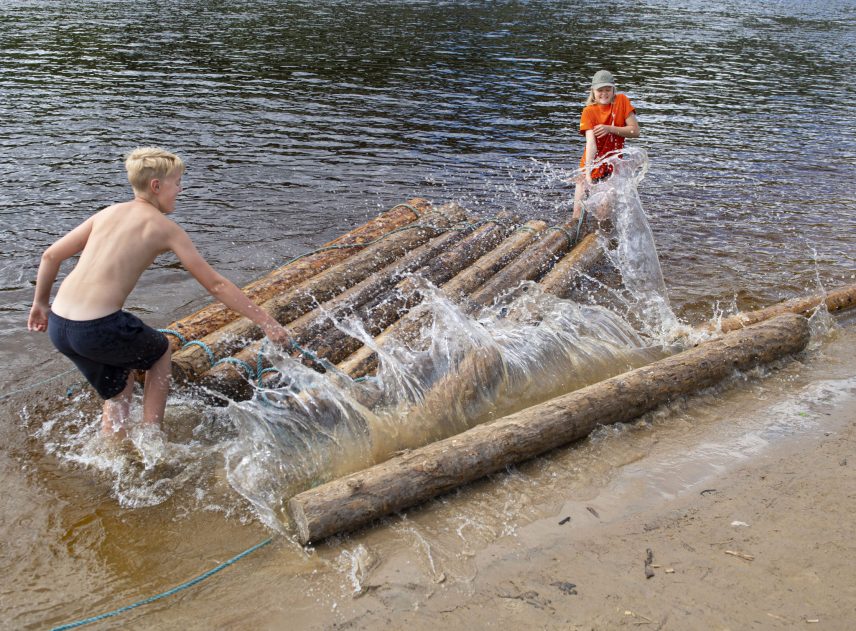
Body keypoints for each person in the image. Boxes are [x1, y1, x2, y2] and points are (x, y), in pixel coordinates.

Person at [27, 147, 294, 435]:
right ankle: (153, 435)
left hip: (60, 325)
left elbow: (50, 256)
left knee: (119, 386)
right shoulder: (165, 228)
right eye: (177, 182)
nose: (180, 189)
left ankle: (114, 445)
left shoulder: (107, 213)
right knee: (160, 352)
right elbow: (216, 284)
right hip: (98, 327)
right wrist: (265, 321)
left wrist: (40, 304)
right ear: (156, 186)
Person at [573, 70, 640, 219]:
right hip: (590, 166)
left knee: (603, 214)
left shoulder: (622, 101)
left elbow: (635, 131)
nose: (604, 94)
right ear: (593, 91)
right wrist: (588, 174)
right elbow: (591, 145)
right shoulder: (588, 111)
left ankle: (601, 240)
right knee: (577, 214)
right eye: (600, 90)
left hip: (612, 169)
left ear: (613, 90)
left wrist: (610, 128)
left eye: (607, 90)